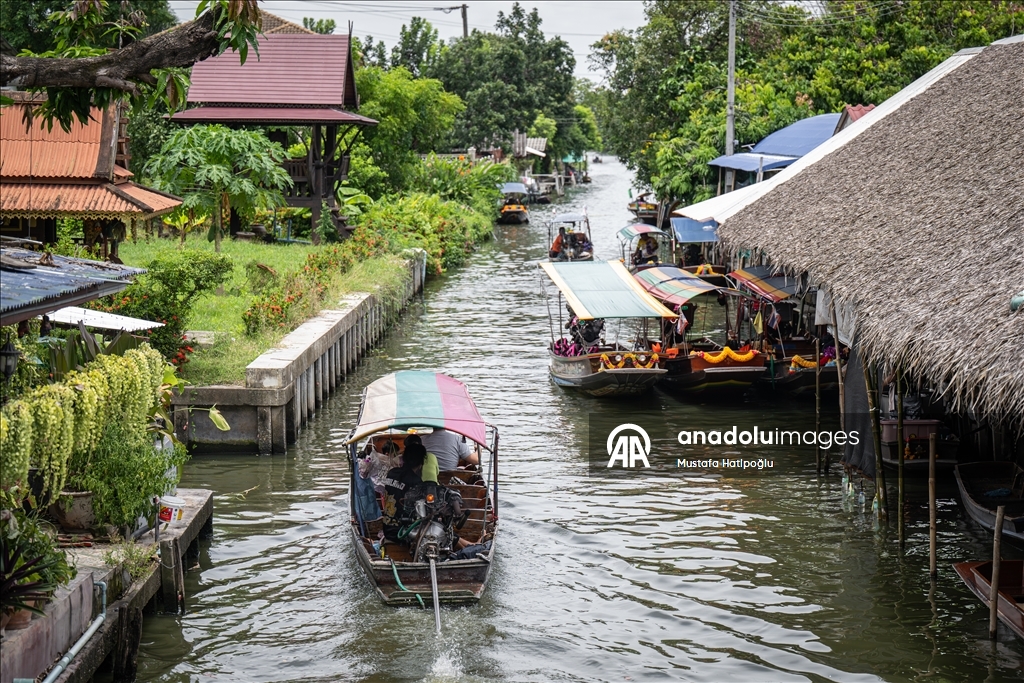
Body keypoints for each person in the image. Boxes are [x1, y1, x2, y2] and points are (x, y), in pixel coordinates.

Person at [381, 443, 427, 540]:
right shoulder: (415, 481)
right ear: (421, 462)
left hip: (387, 528)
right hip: (403, 532)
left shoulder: (391, 473)